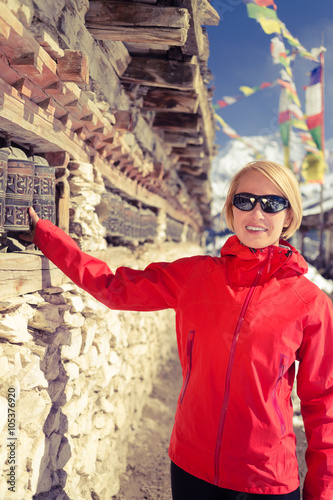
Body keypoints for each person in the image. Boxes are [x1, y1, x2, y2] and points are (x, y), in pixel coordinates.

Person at [21, 160, 333, 500]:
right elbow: (113, 287)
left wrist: (322, 493)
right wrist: (48, 238)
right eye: (245, 201)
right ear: (231, 209)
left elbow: (324, 405)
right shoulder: (195, 277)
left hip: (265, 478)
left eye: (272, 204)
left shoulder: (310, 303)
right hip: (191, 467)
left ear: (288, 216)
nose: (257, 213)